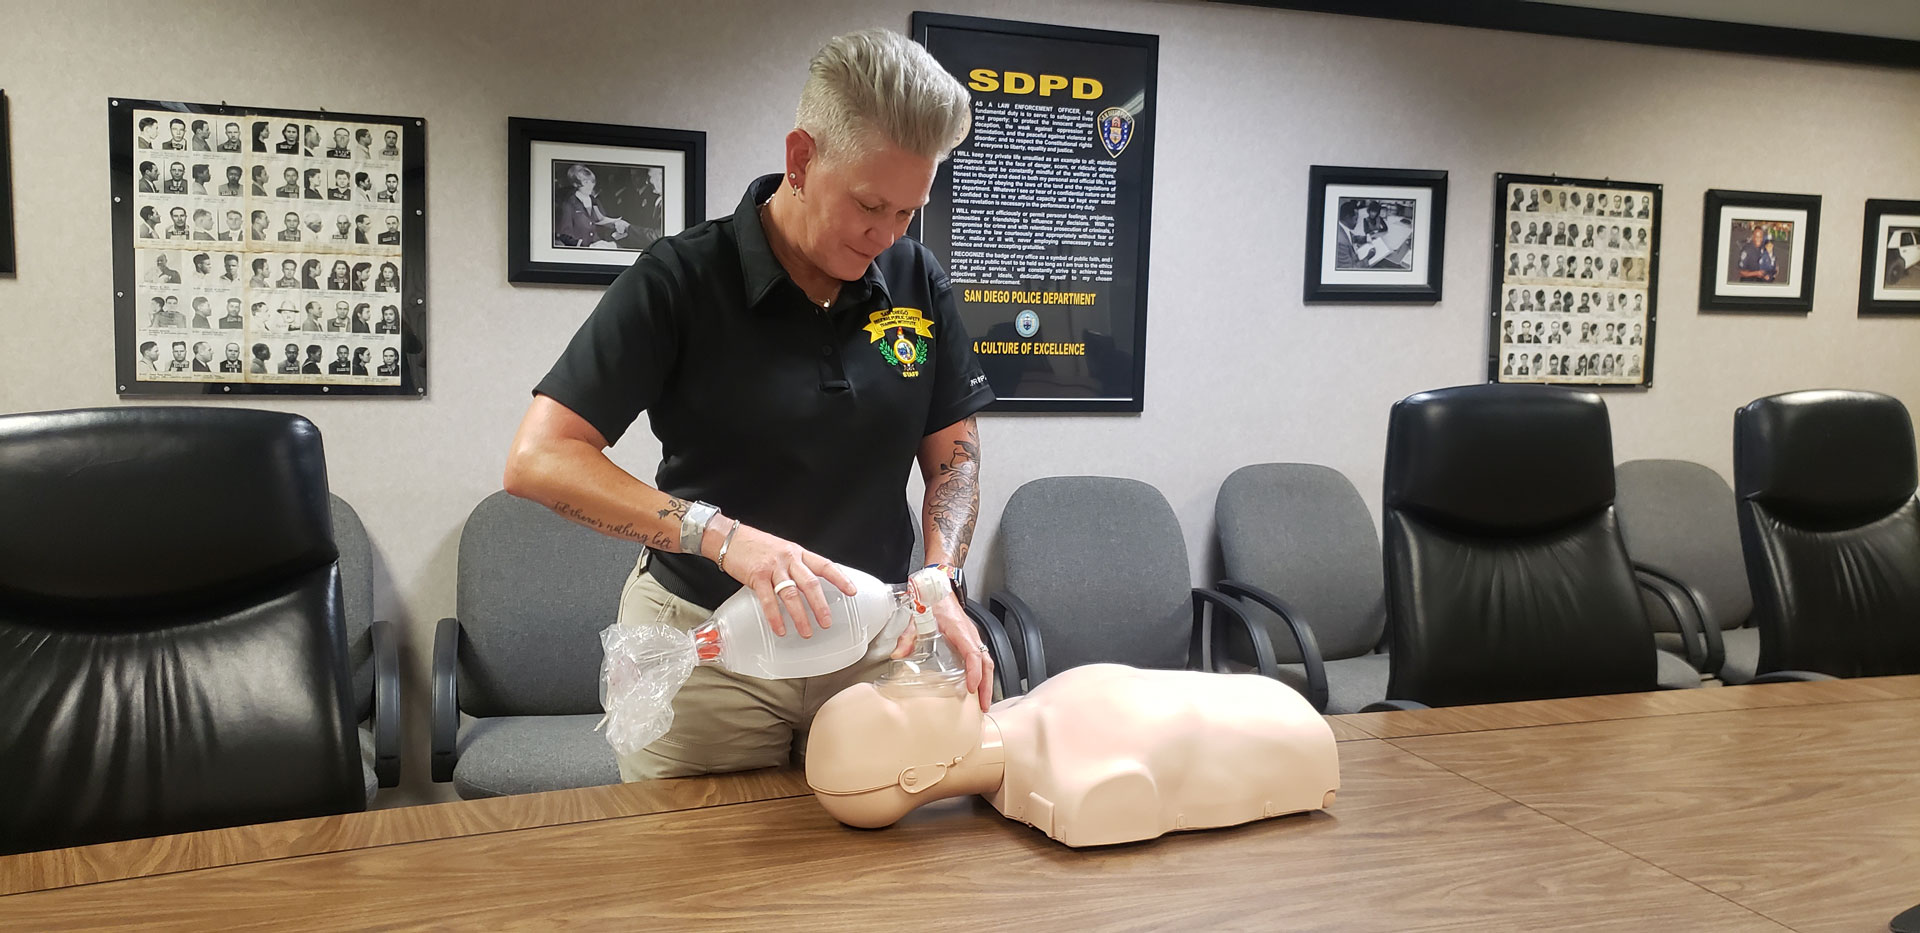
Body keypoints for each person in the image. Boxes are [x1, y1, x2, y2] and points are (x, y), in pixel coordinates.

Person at [504, 28, 995, 782]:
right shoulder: (680, 279)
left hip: (868, 643)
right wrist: (720, 536)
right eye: (870, 204)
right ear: (801, 158)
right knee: (697, 886)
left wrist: (939, 576)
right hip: (710, 649)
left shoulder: (915, 278)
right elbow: (539, 458)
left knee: (874, 888)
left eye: (908, 211)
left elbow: (953, 457)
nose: (887, 234)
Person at [554, 164, 632, 248]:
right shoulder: (569, 203)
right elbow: (564, 235)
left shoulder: (594, 200)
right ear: (576, 184)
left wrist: (615, 225)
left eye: (592, 181)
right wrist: (582, 245)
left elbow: (600, 220)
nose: (590, 185)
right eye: (586, 182)